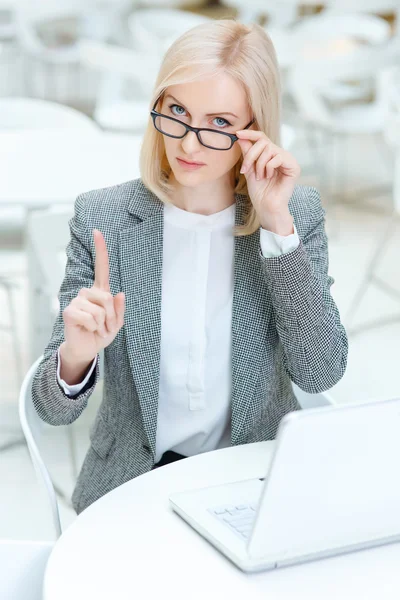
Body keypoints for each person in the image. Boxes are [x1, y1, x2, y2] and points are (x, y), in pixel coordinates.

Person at [32, 19, 348, 514]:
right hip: (131, 487)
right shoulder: (106, 219)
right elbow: (50, 408)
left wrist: (276, 227)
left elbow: (321, 372)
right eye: (177, 111)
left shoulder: (294, 216)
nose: (190, 143)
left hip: (253, 482)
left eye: (220, 123)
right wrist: (77, 357)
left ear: (256, 132)